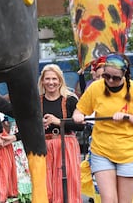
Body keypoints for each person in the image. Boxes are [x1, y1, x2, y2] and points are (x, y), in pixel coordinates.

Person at [72, 54, 133, 203]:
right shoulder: (96, 87)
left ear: (125, 74)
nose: (110, 80)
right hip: (102, 150)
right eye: (106, 76)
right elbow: (79, 110)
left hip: (129, 152)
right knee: (108, 200)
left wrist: (127, 117)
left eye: (115, 77)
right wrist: (78, 116)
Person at [39, 64, 81, 203]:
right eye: (47, 79)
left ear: (60, 80)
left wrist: (58, 121)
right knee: (46, 184)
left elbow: (80, 125)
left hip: (66, 144)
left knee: (68, 183)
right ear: (42, 81)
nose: (51, 82)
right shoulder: (37, 101)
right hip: (44, 145)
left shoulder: (70, 99)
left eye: (54, 79)